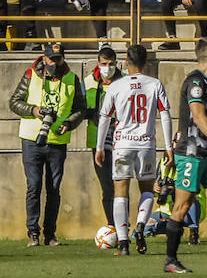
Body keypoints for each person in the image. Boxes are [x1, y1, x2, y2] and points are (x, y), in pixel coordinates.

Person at [96, 44, 173, 256]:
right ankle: (140, 224)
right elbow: (165, 114)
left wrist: (100, 147)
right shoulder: (155, 84)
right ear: (146, 62)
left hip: (121, 144)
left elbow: (105, 118)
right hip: (146, 144)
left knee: (120, 191)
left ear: (126, 62)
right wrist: (168, 148)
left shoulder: (116, 86)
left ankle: (122, 243)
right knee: (147, 188)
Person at [9, 43, 86, 247]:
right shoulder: (30, 74)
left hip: (57, 142)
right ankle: (32, 233)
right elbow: (14, 102)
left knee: (53, 188)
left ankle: (50, 234)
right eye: (51, 59)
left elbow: (80, 108)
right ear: (44, 58)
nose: (54, 63)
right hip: (31, 139)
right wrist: (33, 110)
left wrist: (69, 124)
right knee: (34, 186)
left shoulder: (72, 78)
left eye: (58, 59)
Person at [83, 45, 124, 231]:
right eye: (104, 64)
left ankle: (122, 225)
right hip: (98, 142)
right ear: (98, 64)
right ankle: (112, 225)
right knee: (107, 186)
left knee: (120, 186)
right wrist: (89, 113)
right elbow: (79, 107)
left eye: (111, 64)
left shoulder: (124, 81)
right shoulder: (88, 82)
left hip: (121, 140)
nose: (108, 67)